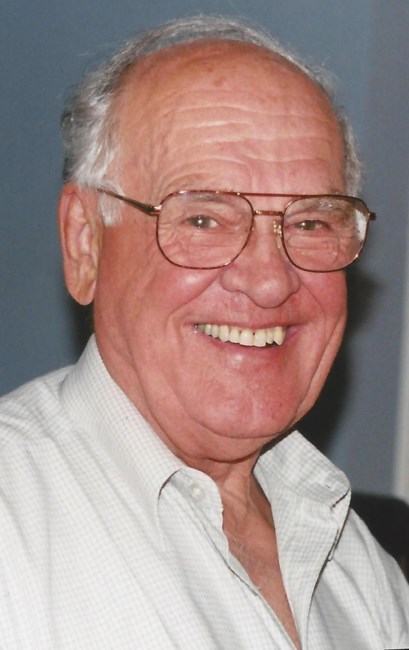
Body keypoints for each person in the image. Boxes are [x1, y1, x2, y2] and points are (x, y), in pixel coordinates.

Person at [0, 14, 408, 650]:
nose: (269, 281)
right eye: (203, 219)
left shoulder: (356, 563)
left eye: (309, 222)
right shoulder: (15, 531)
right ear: (85, 243)